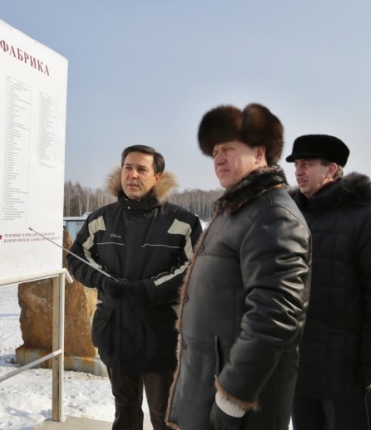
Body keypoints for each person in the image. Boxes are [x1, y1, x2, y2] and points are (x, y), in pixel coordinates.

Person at [166, 103, 311, 430]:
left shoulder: (273, 214)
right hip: (207, 384)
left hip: (239, 401)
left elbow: (274, 317)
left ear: (260, 153)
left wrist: (231, 397)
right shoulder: (237, 210)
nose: (218, 158)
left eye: (229, 148)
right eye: (215, 151)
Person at [67, 144, 202, 430]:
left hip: (161, 337)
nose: (133, 175)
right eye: (128, 167)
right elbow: (77, 258)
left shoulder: (183, 222)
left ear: (157, 177)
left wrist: (148, 289)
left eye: (142, 169)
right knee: (125, 412)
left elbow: (194, 269)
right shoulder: (100, 219)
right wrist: (103, 281)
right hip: (114, 332)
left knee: (165, 416)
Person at [285, 134, 371, 430]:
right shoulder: (290, 216)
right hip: (299, 366)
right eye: (296, 164)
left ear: (332, 169)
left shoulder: (362, 217)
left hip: (346, 371)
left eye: (306, 164)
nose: (298, 171)